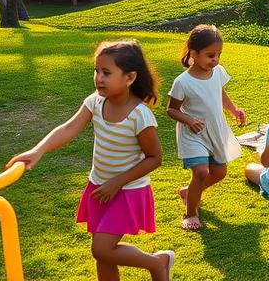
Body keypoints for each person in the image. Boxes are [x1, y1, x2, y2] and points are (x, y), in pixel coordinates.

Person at [9, 40, 175, 281]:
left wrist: (117, 182)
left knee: (102, 248)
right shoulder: (95, 102)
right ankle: (157, 263)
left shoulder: (140, 116)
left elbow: (155, 158)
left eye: (106, 73)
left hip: (127, 190)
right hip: (99, 187)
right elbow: (68, 129)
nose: (98, 78)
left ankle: (157, 263)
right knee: (103, 256)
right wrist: (39, 150)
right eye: (96, 71)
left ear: (129, 78)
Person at [166, 25, 246, 231]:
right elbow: (171, 110)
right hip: (194, 134)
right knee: (201, 172)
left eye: (219, 54)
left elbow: (220, 93)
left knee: (219, 173)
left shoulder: (217, 72)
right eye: (210, 55)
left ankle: (188, 192)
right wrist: (188, 119)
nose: (216, 60)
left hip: (215, 130)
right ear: (194, 53)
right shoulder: (182, 82)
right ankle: (190, 213)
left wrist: (234, 110)